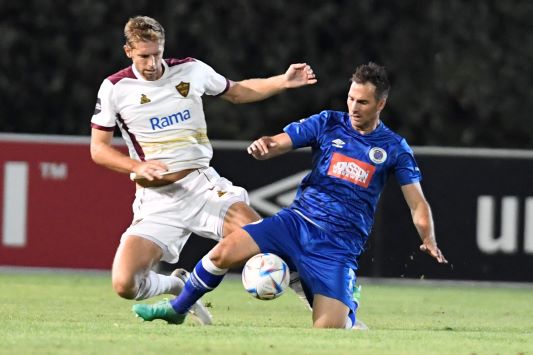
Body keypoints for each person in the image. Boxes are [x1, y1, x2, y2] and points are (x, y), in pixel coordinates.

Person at [133, 62, 448, 328]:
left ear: (380, 104)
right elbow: (279, 141)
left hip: (338, 246)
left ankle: (346, 303)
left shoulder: (393, 148)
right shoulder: (328, 123)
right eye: (351, 98)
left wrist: (428, 237)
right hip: (295, 223)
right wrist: (264, 147)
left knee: (329, 330)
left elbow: (417, 202)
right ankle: (177, 309)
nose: (353, 107)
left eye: (362, 102)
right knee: (222, 252)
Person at [90, 16, 317, 325]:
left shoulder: (191, 70)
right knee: (125, 284)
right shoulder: (115, 88)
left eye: (157, 53)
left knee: (265, 241)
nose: (153, 62)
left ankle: (325, 308)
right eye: (144, 55)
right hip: (156, 201)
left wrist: (283, 81)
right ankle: (178, 286)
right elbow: (98, 149)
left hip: (202, 187)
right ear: (128, 50)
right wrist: (137, 165)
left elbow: (237, 91)